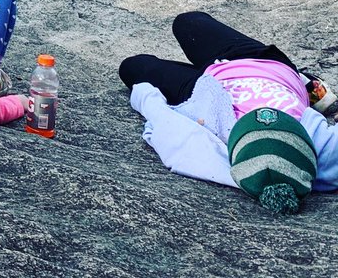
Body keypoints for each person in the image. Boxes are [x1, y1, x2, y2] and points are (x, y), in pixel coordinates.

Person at [119, 11, 338, 213]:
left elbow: (161, 119)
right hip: (265, 64)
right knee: (187, 22)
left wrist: (145, 95)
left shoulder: (210, 154)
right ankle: (306, 83)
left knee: (132, 67)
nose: (265, 114)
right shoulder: (323, 150)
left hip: (202, 90)